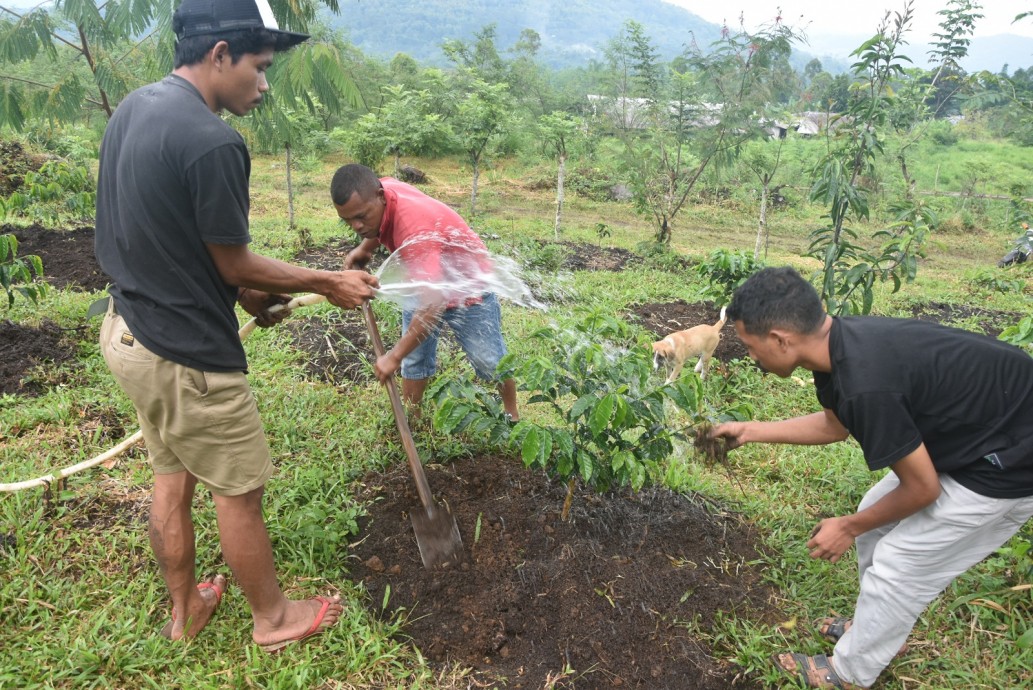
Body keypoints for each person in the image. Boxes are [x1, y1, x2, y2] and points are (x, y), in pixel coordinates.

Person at [94, 0, 378, 652]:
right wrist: (325, 280)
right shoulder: (214, 140)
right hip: (185, 355)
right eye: (260, 66)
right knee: (239, 492)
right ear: (220, 54)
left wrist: (247, 295)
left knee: (172, 475)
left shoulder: (136, 107)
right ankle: (274, 619)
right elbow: (230, 256)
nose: (265, 82)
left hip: (129, 334)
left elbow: (168, 235)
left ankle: (184, 610)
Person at [710, 267, 1033, 689]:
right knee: (873, 518)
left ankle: (847, 674)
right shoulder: (838, 347)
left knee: (899, 564)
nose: (751, 357)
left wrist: (846, 527)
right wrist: (751, 430)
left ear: (780, 339)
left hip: (1011, 460)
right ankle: (876, 631)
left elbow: (922, 489)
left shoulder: (866, 382)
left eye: (751, 347)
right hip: (982, 433)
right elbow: (835, 425)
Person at [330, 163, 519, 421]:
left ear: (380, 196)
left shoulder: (413, 226)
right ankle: (414, 419)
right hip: (425, 277)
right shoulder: (383, 190)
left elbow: (434, 304)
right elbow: (381, 221)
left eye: (361, 217)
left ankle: (512, 415)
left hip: (467, 285)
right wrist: (365, 248)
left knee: (489, 360)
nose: (356, 225)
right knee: (415, 358)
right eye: (348, 220)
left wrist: (393, 356)